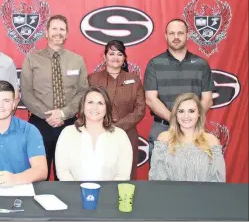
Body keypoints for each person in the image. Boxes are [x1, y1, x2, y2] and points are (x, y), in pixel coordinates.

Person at [20, 14, 88, 181]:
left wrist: (63, 113)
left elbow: (82, 92)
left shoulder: (77, 60)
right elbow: (26, 92)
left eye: (62, 29)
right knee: (37, 173)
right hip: (39, 124)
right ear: (46, 32)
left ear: (67, 33)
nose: (58, 32)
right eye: (54, 28)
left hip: (69, 124)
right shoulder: (32, 59)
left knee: (65, 175)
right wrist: (49, 115)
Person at [144, 18, 215, 149]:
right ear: (166, 36)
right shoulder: (154, 64)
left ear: (187, 35)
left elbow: (207, 99)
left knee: (193, 169)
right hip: (163, 128)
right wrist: (176, 121)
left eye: (180, 33)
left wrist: (189, 122)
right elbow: (150, 99)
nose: (176, 37)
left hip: (193, 130)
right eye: (171, 33)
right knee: (160, 170)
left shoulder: (201, 64)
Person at [87, 40, 145, 180]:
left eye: (119, 54)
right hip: (98, 134)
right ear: (104, 57)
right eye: (111, 53)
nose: (115, 57)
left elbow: (140, 109)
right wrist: (104, 127)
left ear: (124, 58)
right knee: (98, 173)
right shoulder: (93, 79)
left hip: (127, 134)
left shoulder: (134, 79)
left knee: (126, 174)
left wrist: (117, 127)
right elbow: (85, 106)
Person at [55, 86, 133, 181]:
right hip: (74, 193)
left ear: (107, 108)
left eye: (100, 103)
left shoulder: (120, 135)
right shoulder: (68, 133)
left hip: (109, 194)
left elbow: (123, 175)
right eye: (90, 102)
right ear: (83, 106)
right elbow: (63, 171)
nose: (94, 107)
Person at [149, 93, 225, 182]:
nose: (186, 116)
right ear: (176, 114)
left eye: (191, 111)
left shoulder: (212, 141)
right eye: (181, 111)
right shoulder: (164, 138)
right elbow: (156, 177)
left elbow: (218, 180)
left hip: (204, 195)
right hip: (169, 194)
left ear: (199, 113)